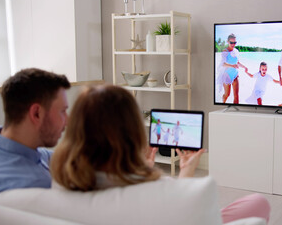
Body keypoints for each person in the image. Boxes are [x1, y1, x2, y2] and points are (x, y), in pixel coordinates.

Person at [50, 85, 270, 224]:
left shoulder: (59, 184)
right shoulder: (163, 191)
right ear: (133, 131)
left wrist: (144, 168)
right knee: (258, 203)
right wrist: (186, 173)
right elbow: (183, 207)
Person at [0, 68, 70, 202]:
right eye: (63, 111)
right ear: (36, 114)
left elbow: (43, 156)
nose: (66, 121)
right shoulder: (36, 184)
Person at [217, 33, 247, 104]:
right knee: (227, 94)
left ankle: (236, 113)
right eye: (231, 42)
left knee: (236, 96)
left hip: (235, 74)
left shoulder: (236, 51)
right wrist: (232, 65)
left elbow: (237, 62)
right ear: (228, 42)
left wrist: (244, 67)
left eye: (235, 42)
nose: (233, 44)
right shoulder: (225, 51)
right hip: (227, 75)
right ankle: (223, 103)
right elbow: (223, 64)